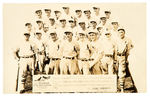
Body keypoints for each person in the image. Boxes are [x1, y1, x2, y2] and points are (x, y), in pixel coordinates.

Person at [116, 27, 133, 92]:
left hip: (122, 57)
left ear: (124, 33)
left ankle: (122, 88)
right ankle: (115, 87)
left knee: (121, 72)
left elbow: (128, 50)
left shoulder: (128, 39)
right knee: (114, 72)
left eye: (122, 32)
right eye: (119, 32)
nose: (121, 33)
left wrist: (126, 59)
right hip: (115, 57)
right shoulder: (116, 40)